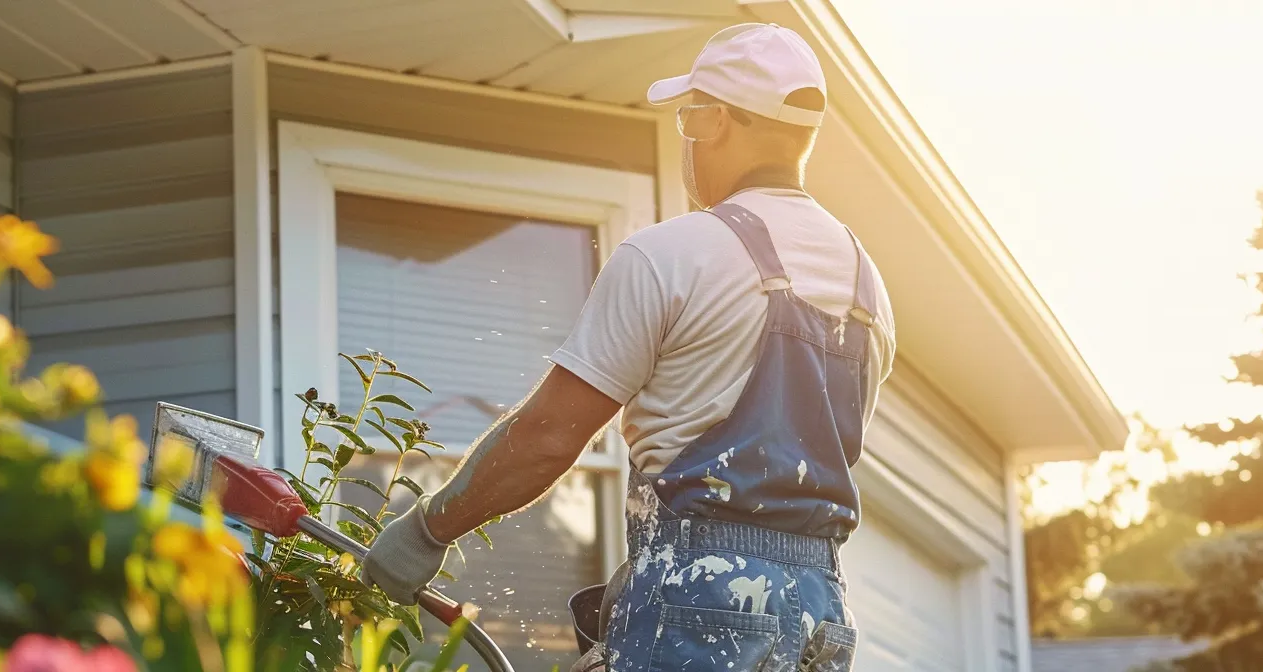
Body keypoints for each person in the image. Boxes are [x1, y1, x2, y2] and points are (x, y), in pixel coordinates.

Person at [358, 22, 895, 672]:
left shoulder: (673, 253)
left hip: (699, 601)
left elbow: (548, 438)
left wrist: (425, 530)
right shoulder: (869, 289)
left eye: (687, 118)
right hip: (823, 609)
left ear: (713, 121)